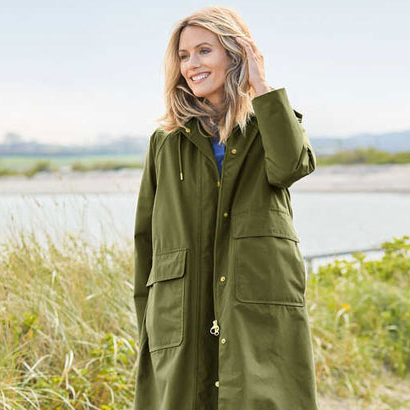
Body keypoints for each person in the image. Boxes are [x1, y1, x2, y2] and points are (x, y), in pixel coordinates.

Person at [133, 6, 320, 410]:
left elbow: (292, 166)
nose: (192, 65)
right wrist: (147, 326)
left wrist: (262, 87)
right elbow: (145, 240)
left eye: (204, 51)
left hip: (257, 310)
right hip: (181, 315)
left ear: (235, 54)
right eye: (184, 56)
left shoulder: (268, 124)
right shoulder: (165, 142)